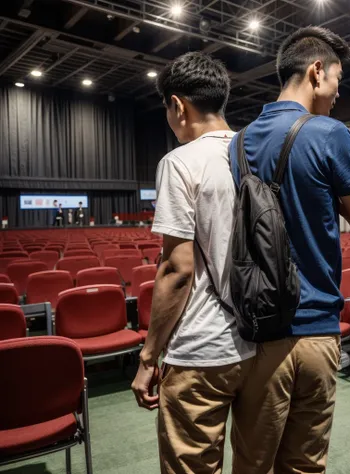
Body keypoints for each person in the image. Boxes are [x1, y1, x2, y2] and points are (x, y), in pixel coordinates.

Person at [229, 26, 350, 474]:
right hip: (315, 327)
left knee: (251, 465)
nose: (338, 92)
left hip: (256, 334)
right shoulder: (329, 133)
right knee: (304, 466)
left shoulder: (237, 144)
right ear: (316, 71)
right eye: (337, 78)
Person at [131, 52, 256, 474]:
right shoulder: (259, 153)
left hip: (203, 350)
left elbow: (178, 269)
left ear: (178, 104)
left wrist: (149, 358)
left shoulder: (180, 162)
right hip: (265, 341)